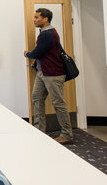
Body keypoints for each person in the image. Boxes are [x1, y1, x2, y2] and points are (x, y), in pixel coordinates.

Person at [24, 8, 73, 145]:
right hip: (43, 72)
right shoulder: (45, 33)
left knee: (58, 103)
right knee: (37, 98)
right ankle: (39, 129)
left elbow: (37, 53)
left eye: (37, 17)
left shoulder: (48, 34)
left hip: (53, 74)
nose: (34, 20)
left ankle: (67, 134)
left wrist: (28, 54)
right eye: (34, 17)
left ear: (46, 19)